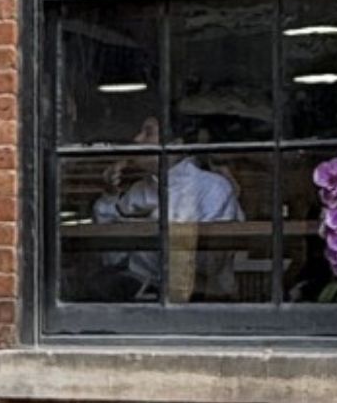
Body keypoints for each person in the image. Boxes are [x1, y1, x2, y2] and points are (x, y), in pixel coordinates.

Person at [90, 115, 243, 302]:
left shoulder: (212, 188)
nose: (137, 139)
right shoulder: (138, 191)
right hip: (140, 296)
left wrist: (155, 225)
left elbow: (209, 264)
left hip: (202, 300)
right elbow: (112, 258)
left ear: (176, 144)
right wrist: (110, 195)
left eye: (148, 133)